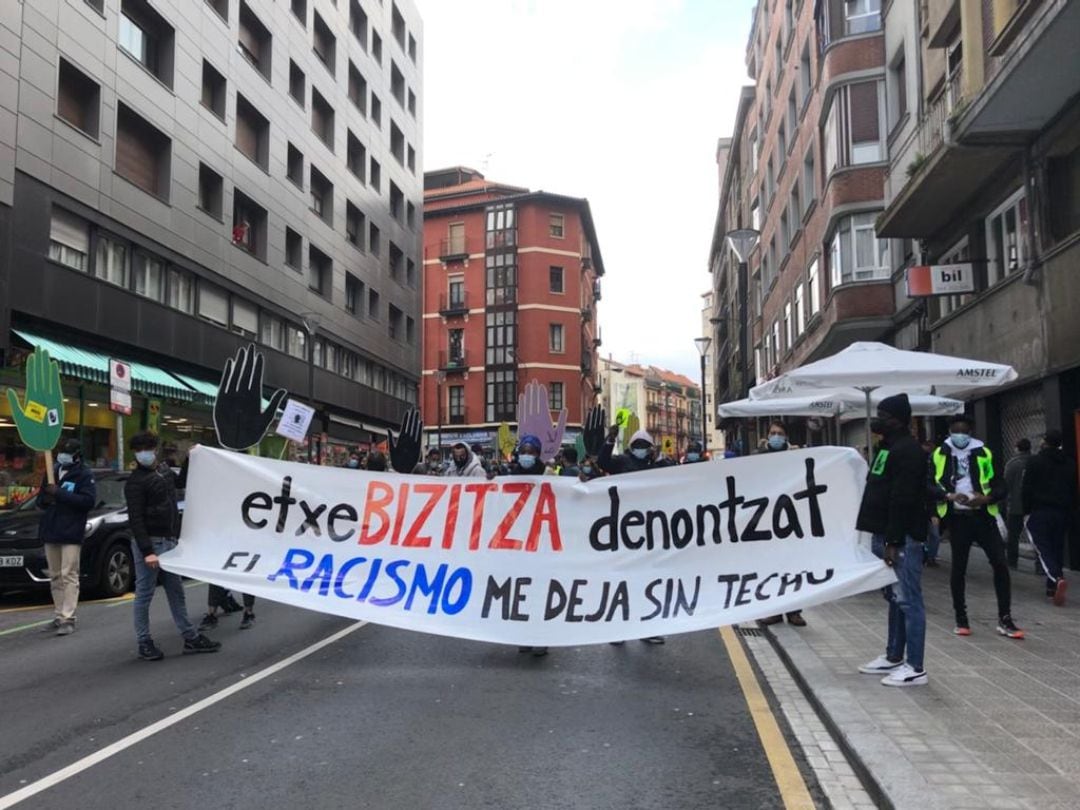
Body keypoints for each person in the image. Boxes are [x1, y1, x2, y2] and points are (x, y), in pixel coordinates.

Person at [125, 432, 220, 660]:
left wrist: (190, 458)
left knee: (176, 591)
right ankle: (144, 642)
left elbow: (183, 482)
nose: (143, 454)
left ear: (154, 450)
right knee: (144, 594)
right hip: (151, 544)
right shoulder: (135, 482)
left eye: (146, 448)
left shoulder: (164, 472)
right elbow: (135, 519)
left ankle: (190, 636)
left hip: (168, 541)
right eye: (139, 450)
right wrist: (147, 551)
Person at [855, 394, 929, 686]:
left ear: (899, 419)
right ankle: (894, 655)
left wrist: (894, 540)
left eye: (884, 416)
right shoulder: (888, 448)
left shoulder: (908, 451)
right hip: (884, 532)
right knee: (895, 598)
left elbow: (903, 498)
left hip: (901, 537)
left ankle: (915, 667)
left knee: (909, 600)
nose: (878, 420)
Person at [930, 415, 1023, 639]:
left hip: (983, 516)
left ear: (970, 431)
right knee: (959, 567)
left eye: (963, 431)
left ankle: (1005, 618)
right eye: (955, 431)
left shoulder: (984, 452)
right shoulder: (940, 453)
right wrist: (948, 496)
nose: (959, 435)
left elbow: (1000, 484)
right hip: (957, 518)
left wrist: (987, 498)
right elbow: (930, 484)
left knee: (1000, 564)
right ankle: (961, 619)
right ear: (950, 431)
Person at [598, 426, 666, 644]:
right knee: (622, 580)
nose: (640, 449)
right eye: (637, 445)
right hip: (623, 527)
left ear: (650, 449)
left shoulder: (655, 465)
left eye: (644, 446)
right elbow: (603, 462)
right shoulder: (620, 462)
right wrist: (609, 440)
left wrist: (658, 459)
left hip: (647, 528)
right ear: (630, 447)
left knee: (646, 581)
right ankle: (620, 630)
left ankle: (647, 628)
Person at [37, 438, 96, 636]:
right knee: (54, 575)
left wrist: (60, 493)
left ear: (77, 455)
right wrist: (46, 497)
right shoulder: (52, 470)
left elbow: (88, 501)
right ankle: (58, 614)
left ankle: (68, 617)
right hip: (52, 528)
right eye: (62, 451)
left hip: (71, 530)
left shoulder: (84, 475)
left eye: (68, 452)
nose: (64, 455)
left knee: (68, 573)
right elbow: (41, 500)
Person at [496, 435, 549, 657]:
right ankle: (524, 636)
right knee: (520, 591)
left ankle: (541, 637)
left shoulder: (549, 474)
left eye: (531, 451)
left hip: (543, 540)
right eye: (524, 451)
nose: (527, 455)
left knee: (540, 591)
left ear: (537, 453)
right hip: (517, 540)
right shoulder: (510, 474)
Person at [756, 422, 807, 628]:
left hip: (792, 518)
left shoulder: (797, 455)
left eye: (780, 434)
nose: (775, 437)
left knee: (793, 565)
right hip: (767, 518)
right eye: (772, 433)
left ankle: (794, 611)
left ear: (786, 438)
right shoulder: (759, 456)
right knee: (771, 565)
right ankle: (774, 610)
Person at [1022, 429, 1076, 606]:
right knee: (1056, 547)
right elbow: (1073, 489)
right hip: (1062, 511)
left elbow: (1027, 488)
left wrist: (1025, 509)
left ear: (1044, 441)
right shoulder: (1069, 463)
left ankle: (1056, 576)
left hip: (1040, 510)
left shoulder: (1035, 462)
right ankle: (1051, 588)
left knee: (1042, 547)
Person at [1004, 438, 1033, 569]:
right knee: (1036, 536)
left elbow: (1006, 484)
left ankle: (1012, 562)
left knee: (1013, 535)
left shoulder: (1013, 464)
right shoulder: (1035, 462)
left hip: (1016, 505)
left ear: (1017, 448)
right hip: (1034, 505)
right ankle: (1040, 565)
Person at [920, 440, 942, 567]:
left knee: (934, 535)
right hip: (922, 508)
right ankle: (927, 557)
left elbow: (931, 494)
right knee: (928, 535)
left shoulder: (931, 475)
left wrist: (933, 513)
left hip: (930, 507)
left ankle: (930, 557)